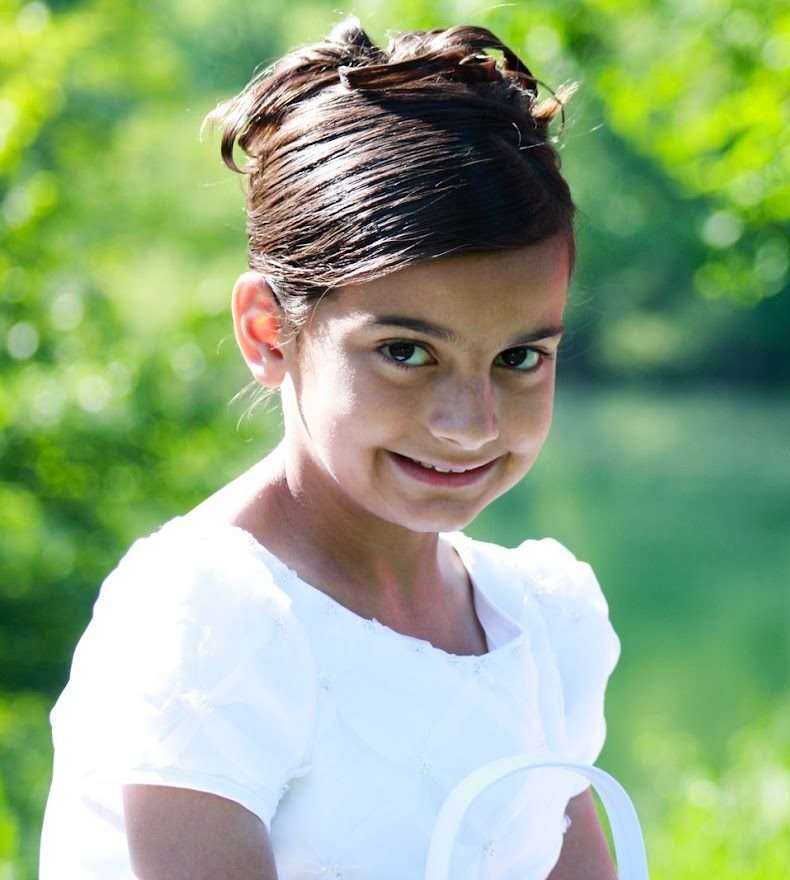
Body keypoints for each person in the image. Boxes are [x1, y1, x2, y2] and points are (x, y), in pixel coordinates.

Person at [39, 15, 622, 879]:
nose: (472, 422)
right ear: (270, 331)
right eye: (405, 352)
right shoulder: (213, 624)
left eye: (519, 358)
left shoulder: (536, 621)